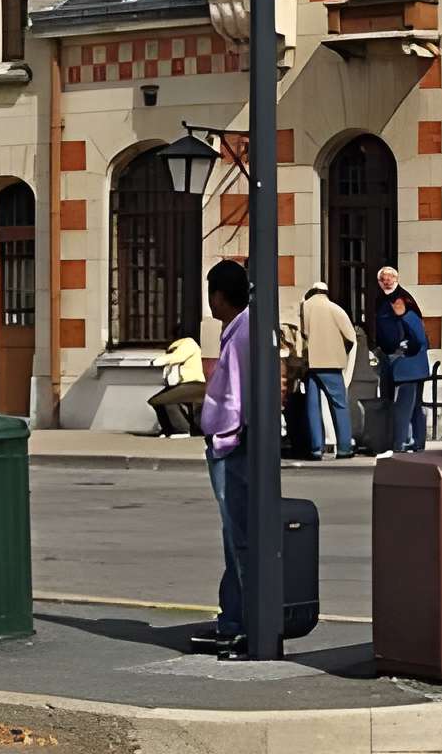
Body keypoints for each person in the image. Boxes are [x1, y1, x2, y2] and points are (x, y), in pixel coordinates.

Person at [193, 259, 254, 657]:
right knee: (238, 535)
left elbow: (230, 400)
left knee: (237, 535)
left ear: (218, 296)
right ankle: (234, 614)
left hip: (231, 446)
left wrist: (214, 431)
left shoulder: (238, 336)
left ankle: (239, 619)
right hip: (244, 441)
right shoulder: (249, 328)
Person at [295, 278, 357, 460]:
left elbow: (302, 334)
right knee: (339, 405)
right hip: (331, 363)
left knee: (312, 406)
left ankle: (316, 448)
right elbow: (351, 337)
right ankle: (344, 447)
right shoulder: (335, 309)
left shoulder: (304, 307)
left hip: (310, 363)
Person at [375, 287, 431, 453]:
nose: (394, 306)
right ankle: (418, 442)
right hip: (413, 367)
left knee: (404, 407)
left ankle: (399, 443)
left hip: (409, 368)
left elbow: (420, 340)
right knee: (414, 407)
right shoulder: (406, 317)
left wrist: (403, 349)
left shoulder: (409, 317)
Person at [150, 329, 207, 436]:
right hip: (183, 384)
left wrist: (156, 362)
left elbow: (177, 357)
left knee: (165, 400)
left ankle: (182, 430)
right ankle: (168, 430)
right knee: (155, 401)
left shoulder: (188, 343)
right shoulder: (174, 348)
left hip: (194, 384)